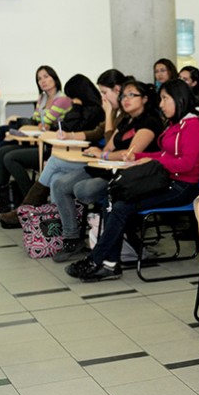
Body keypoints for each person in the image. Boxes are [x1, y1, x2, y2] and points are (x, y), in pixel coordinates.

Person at [66, 79, 199, 282]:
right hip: (166, 180)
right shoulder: (178, 123)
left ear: (179, 99)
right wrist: (140, 157)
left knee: (121, 206)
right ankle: (109, 263)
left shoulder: (194, 125)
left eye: (165, 99)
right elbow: (165, 155)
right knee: (112, 196)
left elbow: (186, 163)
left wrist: (153, 162)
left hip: (182, 187)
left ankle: (97, 260)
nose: (161, 104)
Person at [51, 79, 165, 262]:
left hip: (127, 175)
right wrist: (104, 150)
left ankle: (112, 231)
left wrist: (104, 155)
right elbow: (109, 146)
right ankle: (72, 239)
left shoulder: (150, 122)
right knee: (59, 185)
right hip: (106, 167)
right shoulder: (127, 120)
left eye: (132, 95)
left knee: (83, 190)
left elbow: (130, 154)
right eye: (124, 95)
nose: (126, 99)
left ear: (144, 99)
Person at [0, 74, 104, 225]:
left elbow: (75, 128)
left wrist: (75, 107)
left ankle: (28, 208)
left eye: (46, 77)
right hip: (64, 150)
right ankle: (52, 223)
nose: (43, 81)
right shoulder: (44, 99)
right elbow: (57, 124)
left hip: (80, 155)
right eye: (39, 78)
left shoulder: (93, 110)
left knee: (32, 160)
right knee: (7, 150)